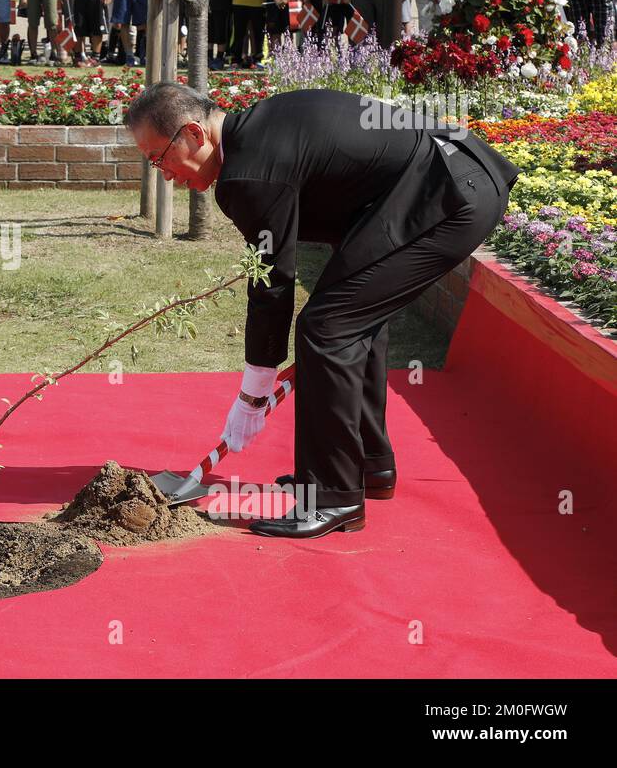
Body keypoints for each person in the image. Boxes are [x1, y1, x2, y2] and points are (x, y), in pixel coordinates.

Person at [124, 82, 520, 538]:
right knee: (346, 319)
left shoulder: (250, 171)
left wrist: (253, 394)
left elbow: (272, 283)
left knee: (327, 328)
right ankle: (368, 466)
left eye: (160, 157)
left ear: (195, 134)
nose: (164, 174)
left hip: (448, 194)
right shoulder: (258, 133)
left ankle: (333, 497)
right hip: (447, 180)